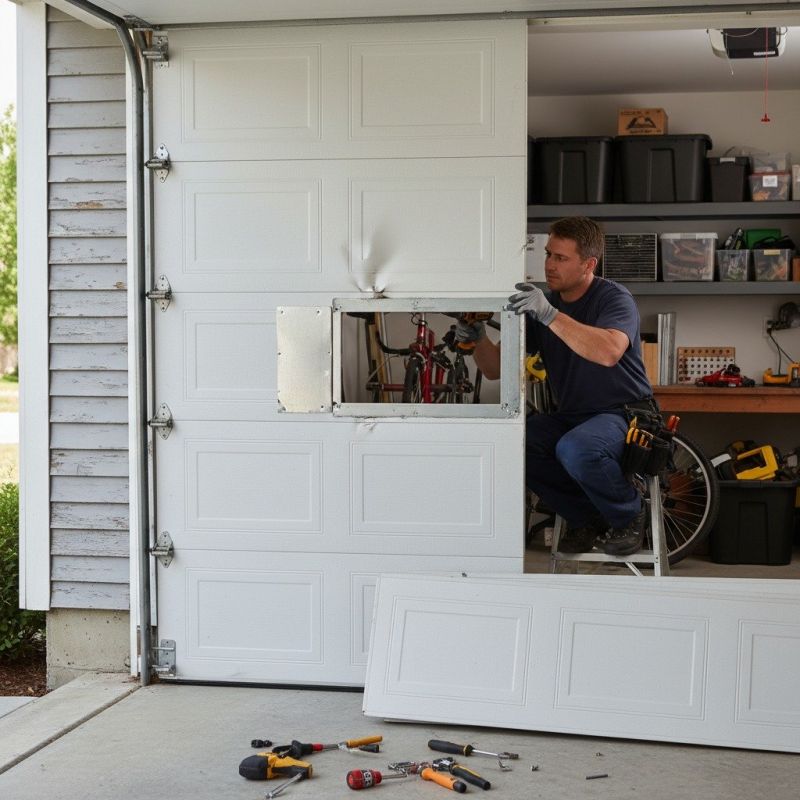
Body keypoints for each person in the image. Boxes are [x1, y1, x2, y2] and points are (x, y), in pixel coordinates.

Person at [456, 216, 656, 556]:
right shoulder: (545, 306)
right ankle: (589, 517)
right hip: (573, 416)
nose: (549, 265)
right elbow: (493, 369)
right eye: (548, 254)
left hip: (623, 413)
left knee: (577, 449)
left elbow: (608, 352)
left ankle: (629, 515)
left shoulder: (612, 298)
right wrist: (477, 338)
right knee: (513, 445)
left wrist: (548, 316)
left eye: (560, 258)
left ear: (589, 264)